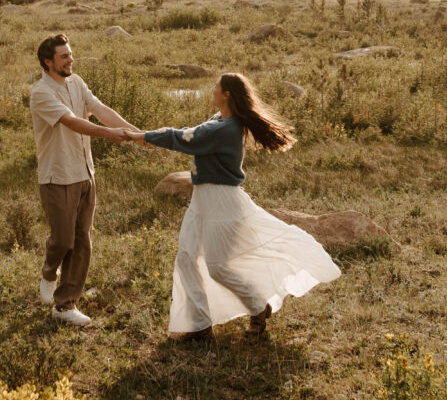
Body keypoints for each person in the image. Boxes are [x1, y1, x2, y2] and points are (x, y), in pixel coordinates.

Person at [125, 73, 340, 339]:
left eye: (216, 86)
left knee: (217, 266)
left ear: (227, 94)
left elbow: (186, 138)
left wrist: (143, 136)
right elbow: (191, 133)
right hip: (202, 200)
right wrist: (144, 136)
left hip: (221, 202)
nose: (212, 89)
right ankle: (199, 325)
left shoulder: (226, 129)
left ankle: (259, 306)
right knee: (186, 258)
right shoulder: (219, 121)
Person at [30, 33, 140, 327]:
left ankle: (65, 305)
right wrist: (112, 135)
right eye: (64, 56)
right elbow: (71, 122)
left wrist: (137, 134)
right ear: (48, 62)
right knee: (63, 240)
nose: (71, 60)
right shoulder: (41, 92)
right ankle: (49, 271)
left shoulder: (77, 83)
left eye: (70, 54)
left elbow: (100, 111)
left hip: (85, 174)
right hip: (58, 176)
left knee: (82, 242)